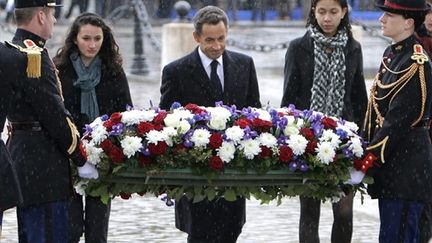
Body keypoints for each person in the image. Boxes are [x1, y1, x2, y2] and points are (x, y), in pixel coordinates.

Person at [159, 5, 261, 243]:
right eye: (209, 40)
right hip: (195, 174)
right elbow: (167, 123)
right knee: (200, 235)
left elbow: (254, 112)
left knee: (231, 232)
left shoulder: (245, 65)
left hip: (233, 173)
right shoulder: (176, 71)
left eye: (221, 39)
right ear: (196, 37)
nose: (216, 46)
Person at [4, 0, 98, 242]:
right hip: (44, 165)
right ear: (41, 16)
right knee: (47, 233)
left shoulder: (10, 51)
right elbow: (55, 116)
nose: (56, 20)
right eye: (53, 14)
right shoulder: (32, 56)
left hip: (22, 158)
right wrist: (79, 156)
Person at [280, 0, 368, 242]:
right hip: (307, 139)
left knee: (344, 211)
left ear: (344, 13)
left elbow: (359, 96)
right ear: (313, 12)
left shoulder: (353, 48)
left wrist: (365, 140)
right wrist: (288, 139)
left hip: (346, 140)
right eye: (321, 12)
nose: (327, 18)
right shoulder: (298, 47)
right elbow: (289, 97)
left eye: (333, 12)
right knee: (309, 211)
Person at [53, 12, 132, 243]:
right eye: (86, 38)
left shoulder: (113, 72)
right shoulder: (60, 70)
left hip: (103, 155)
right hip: (68, 154)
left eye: (97, 39)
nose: (92, 44)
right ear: (75, 39)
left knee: (98, 231)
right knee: (71, 227)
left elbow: (125, 112)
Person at [361, 0, 432, 242]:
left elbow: (398, 120)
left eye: (389, 16)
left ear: (409, 23)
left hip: (407, 168)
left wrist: (368, 159)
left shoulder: (416, 63)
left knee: (400, 236)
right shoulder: (392, 54)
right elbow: (375, 110)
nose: (382, 20)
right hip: (393, 167)